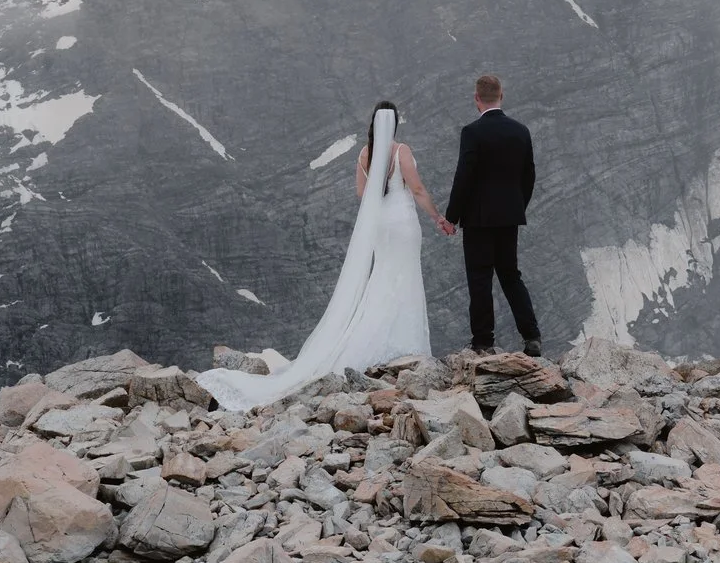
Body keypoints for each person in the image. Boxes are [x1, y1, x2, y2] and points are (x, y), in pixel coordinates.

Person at [195, 99, 445, 412]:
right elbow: (418, 189)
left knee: (381, 277)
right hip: (403, 223)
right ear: (394, 123)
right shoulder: (401, 151)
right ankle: (405, 349)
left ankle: (375, 346)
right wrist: (438, 217)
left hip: (382, 225)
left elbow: (360, 194)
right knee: (405, 279)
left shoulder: (365, 154)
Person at [440, 73, 543, 356]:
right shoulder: (521, 131)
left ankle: (483, 341)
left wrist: (452, 217)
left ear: (477, 99)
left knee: (480, 277)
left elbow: (464, 177)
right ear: (502, 95)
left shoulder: (472, 132)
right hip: (510, 217)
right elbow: (529, 175)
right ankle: (531, 336)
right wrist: (517, 206)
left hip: (479, 219)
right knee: (511, 276)